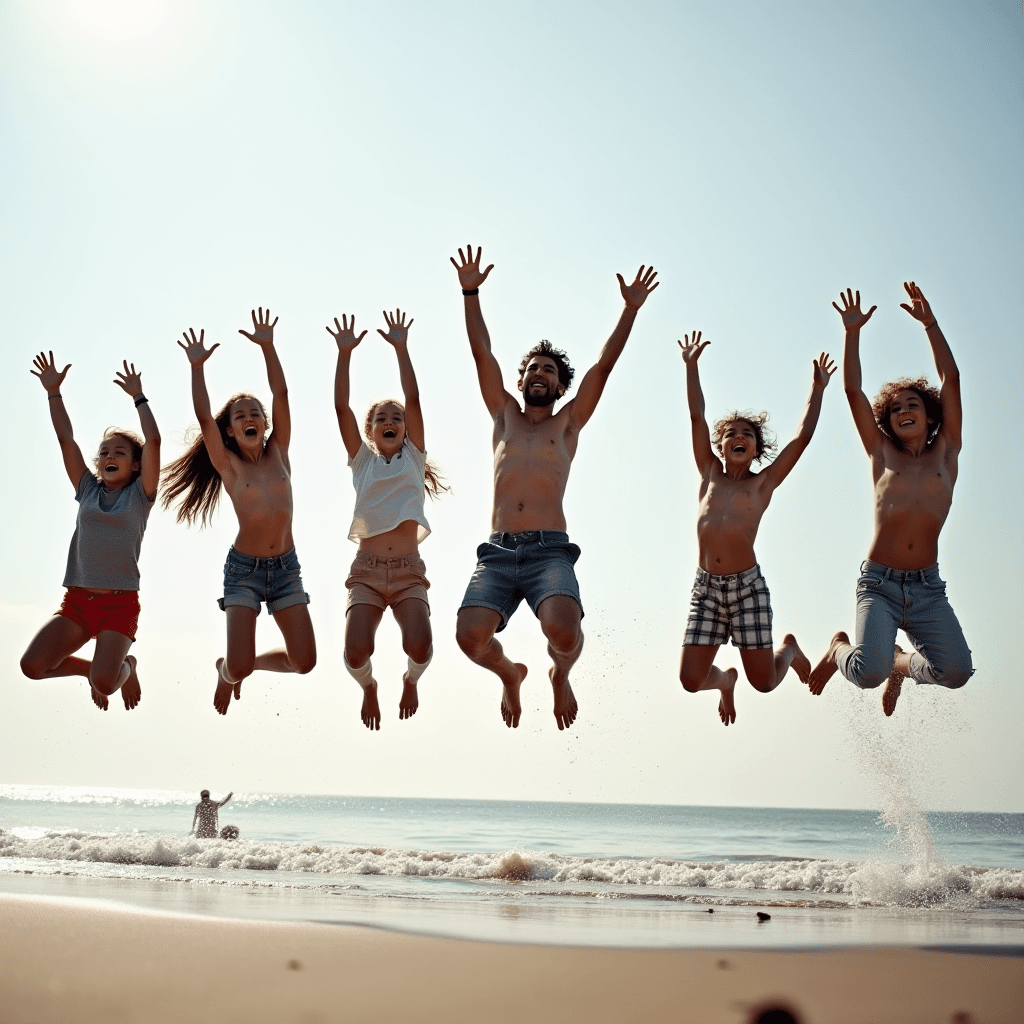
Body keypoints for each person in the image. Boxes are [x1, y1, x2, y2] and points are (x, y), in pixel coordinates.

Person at [451, 244, 659, 730]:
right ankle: (510, 674)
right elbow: (481, 352)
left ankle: (560, 674)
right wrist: (470, 292)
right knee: (469, 638)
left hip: (549, 552)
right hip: (498, 554)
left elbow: (601, 369)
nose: (539, 374)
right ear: (521, 378)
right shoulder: (503, 416)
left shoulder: (566, 426)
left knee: (564, 633)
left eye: (549, 370)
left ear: (560, 387)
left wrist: (628, 311)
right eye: (533, 368)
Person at [807, 284, 973, 714]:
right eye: (895, 406)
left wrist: (931, 325)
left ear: (930, 414)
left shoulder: (947, 451)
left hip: (927, 589)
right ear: (888, 420)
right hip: (879, 586)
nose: (902, 409)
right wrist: (852, 333)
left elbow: (951, 379)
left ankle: (901, 666)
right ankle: (837, 648)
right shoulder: (882, 454)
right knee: (867, 674)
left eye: (912, 402)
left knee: (956, 673)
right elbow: (853, 392)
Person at [161, 308, 316, 715]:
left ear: (265, 423)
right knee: (238, 665)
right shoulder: (229, 467)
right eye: (240, 415)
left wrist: (268, 347)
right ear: (229, 430)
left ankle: (247, 669)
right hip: (244, 571)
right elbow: (201, 416)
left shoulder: (279, 452)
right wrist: (197, 368)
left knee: (305, 662)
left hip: (286, 570)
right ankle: (227, 672)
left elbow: (281, 394)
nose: (249, 417)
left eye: (255, 413)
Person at [677, 332, 835, 725]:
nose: (739, 437)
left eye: (747, 434)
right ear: (720, 444)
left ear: (756, 449)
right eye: (731, 433)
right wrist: (691, 366)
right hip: (707, 589)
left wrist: (816, 390)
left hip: (747, 588)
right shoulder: (709, 472)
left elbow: (801, 439)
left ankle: (789, 650)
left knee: (764, 683)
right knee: (689, 679)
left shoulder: (761, 484)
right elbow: (696, 415)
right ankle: (724, 683)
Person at [20, 353, 161, 711]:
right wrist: (54, 393)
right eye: (103, 453)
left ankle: (125, 666)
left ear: (134, 465)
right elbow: (66, 440)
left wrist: (139, 398)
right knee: (32, 666)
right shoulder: (88, 490)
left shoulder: (140, 496)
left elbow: (155, 442)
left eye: (119, 452)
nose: (108, 456)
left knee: (106, 683)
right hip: (79, 602)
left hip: (119, 604)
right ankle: (95, 670)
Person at [329, 308, 447, 730]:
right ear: (370, 431)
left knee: (420, 645)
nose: (392, 421)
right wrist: (345, 354)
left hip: (408, 571)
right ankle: (369, 687)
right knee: (356, 651)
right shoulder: (362, 463)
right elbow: (340, 405)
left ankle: (410, 681)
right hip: (367, 571)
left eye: (397, 418)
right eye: (382, 418)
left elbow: (413, 400)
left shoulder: (414, 457)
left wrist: (402, 348)